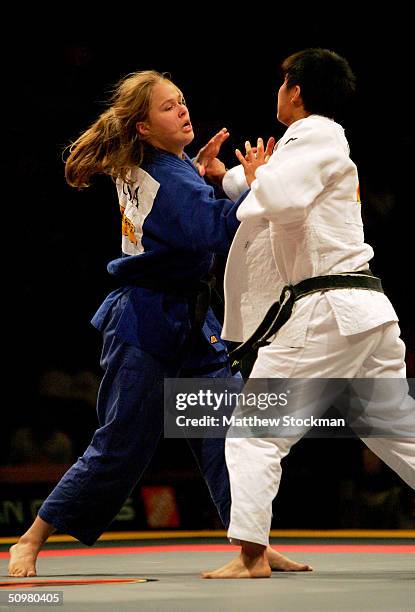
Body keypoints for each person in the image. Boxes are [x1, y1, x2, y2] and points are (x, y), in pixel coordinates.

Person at [8, 70, 309, 577]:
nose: (184, 111)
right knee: (122, 443)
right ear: (143, 128)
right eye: (169, 108)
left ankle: (252, 546)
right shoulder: (166, 179)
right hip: (144, 322)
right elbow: (213, 230)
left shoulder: (161, 166)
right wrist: (253, 187)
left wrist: (201, 171)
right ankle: (32, 539)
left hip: (192, 319)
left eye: (183, 101)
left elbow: (185, 204)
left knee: (227, 432)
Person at [202, 48, 415, 578]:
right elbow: (272, 181)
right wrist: (225, 174)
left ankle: (251, 556)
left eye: (283, 84)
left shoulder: (315, 135)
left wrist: (253, 178)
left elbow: (283, 197)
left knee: (255, 431)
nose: (278, 92)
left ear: (296, 91)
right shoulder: (319, 145)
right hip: (367, 311)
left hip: (328, 309)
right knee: (392, 427)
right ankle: (252, 550)